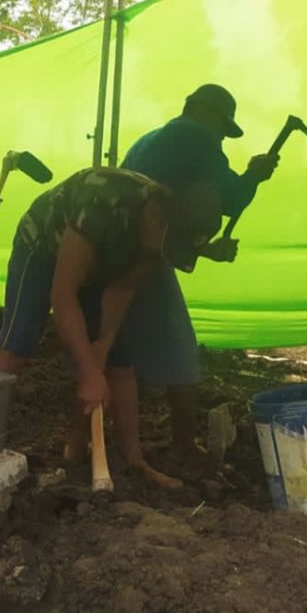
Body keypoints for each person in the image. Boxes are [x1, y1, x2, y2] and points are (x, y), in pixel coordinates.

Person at [0, 167, 221, 488]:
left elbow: (122, 289)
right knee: (18, 342)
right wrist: (87, 372)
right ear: (154, 216)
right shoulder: (101, 207)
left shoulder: (161, 239)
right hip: (42, 246)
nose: (159, 256)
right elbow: (63, 294)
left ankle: (126, 461)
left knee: (117, 360)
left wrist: (102, 343)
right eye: (163, 248)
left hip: (103, 260)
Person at [120, 84, 277, 468]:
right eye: (223, 128)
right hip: (144, 259)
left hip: (119, 249)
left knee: (117, 349)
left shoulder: (148, 141)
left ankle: (106, 444)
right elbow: (228, 199)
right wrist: (254, 176)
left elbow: (165, 213)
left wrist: (203, 250)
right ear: (204, 113)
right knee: (179, 348)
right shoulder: (195, 137)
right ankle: (184, 449)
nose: (222, 137)